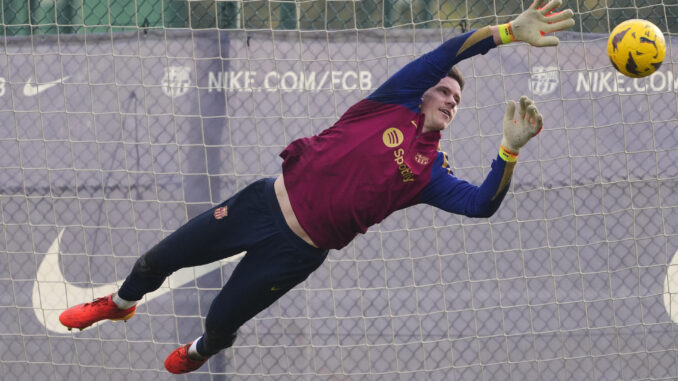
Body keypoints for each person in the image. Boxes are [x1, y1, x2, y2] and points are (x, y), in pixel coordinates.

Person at [59, 0, 574, 374]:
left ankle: (201, 351)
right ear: (422, 93)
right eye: (443, 90)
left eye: (457, 99)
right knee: (155, 262)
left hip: (296, 253)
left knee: (220, 322)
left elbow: (482, 205)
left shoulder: (429, 173)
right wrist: (506, 31)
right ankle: (120, 305)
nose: (450, 98)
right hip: (260, 205)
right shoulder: (391, 100)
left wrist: (510, 149)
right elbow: (445, 52)